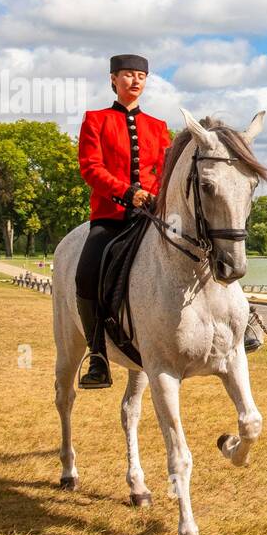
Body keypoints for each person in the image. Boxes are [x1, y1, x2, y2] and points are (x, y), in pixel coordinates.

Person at [74, 54, 171, 389]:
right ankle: (98, 355)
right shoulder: (95, 120)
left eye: (142, 75)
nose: (136, 81)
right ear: (113, 79)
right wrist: (128, 193)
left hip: (152, 217)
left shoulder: (158, 127)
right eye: (129, 75)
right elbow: (90, 168)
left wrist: (155, 194)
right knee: (86, 274)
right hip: (111, 216)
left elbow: (165, 170)